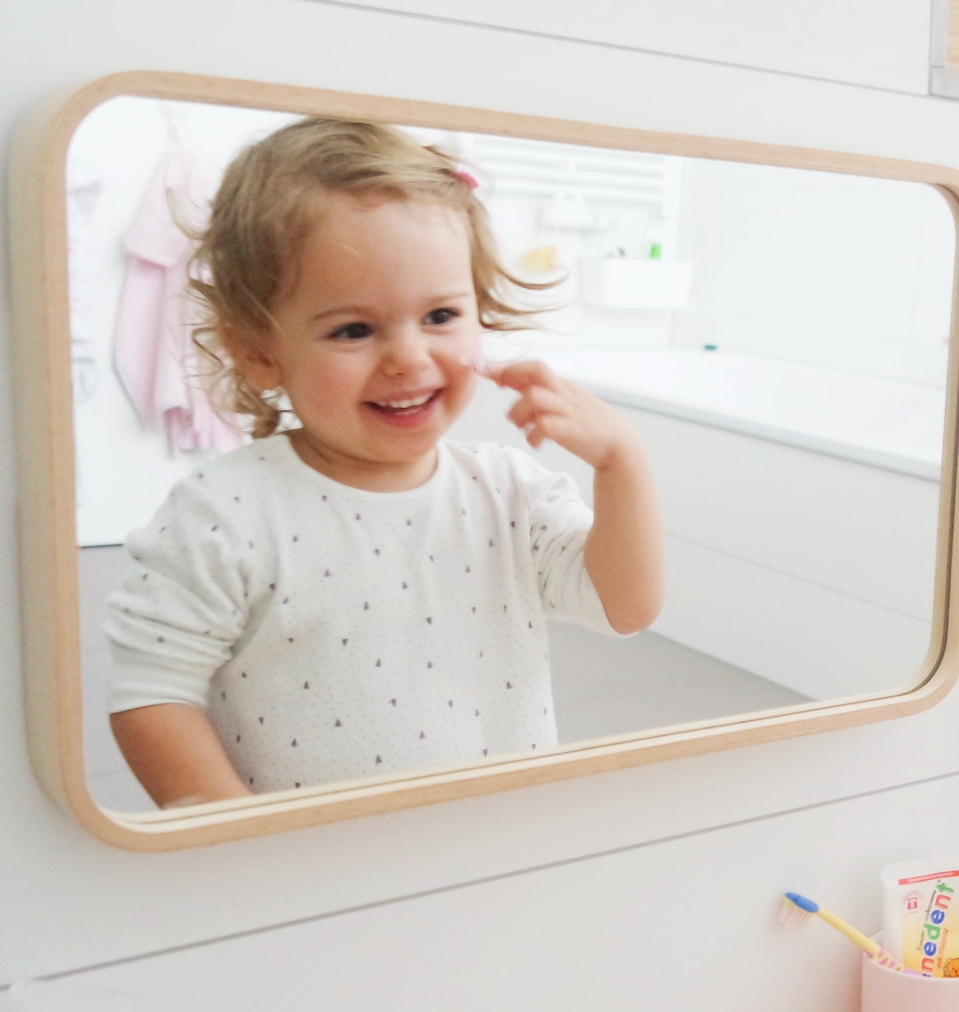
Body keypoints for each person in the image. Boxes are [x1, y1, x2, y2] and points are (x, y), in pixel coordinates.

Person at [105, 118, 664, 806]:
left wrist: (622, 463)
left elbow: (626, 607)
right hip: (321, 868)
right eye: (353, 329)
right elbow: (152, 695)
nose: (408, 358)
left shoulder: (508, 490)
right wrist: (246, 847)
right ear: (259, 350)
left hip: (497, 841)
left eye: (439, 316)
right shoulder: (227, 512)